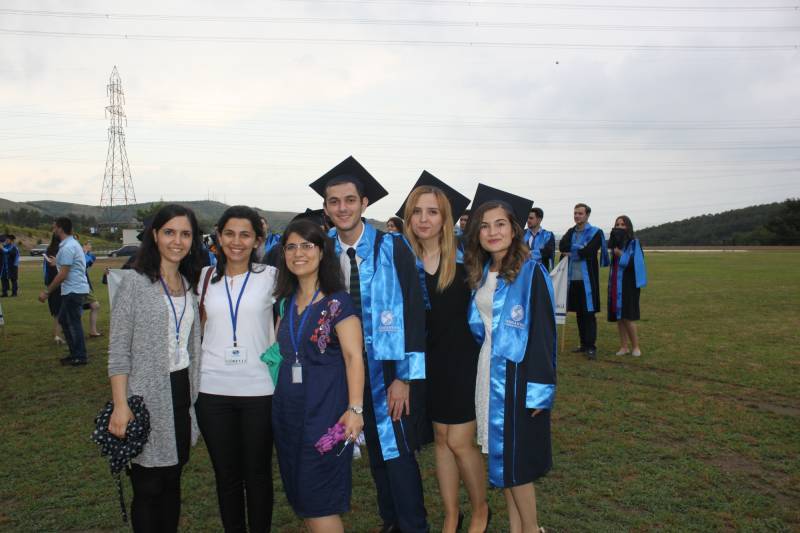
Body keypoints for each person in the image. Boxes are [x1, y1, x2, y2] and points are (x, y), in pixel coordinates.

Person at [309, 156, 429, 533]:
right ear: (326, 207)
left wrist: (404, 378)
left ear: (364, 203)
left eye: (350, 200)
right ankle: (390, 520)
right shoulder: (320, 251)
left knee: (397, 451)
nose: (342, 208)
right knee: (370, 447)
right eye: (334, 201)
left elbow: (414, 312)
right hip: (339, 368)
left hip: (388, 367)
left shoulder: (393, 247)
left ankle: (412, 526)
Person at [398, 172, 489, 533]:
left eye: (432, 212)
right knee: (439, 440)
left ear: (445, 218)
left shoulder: (469, 259)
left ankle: (481, 511)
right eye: (417, 212)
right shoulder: (404, 261)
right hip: (428, 362)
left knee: (459, 441)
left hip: (463, 360)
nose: (424, 219)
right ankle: (452, 515)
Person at [106, 204, 204, 533]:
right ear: (155, 235)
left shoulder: (188, 285)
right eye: (169, 232)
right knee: (148, 486)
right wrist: (120, 405)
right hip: (144, 396)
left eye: (185, 234)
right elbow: (118, 351)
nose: (177, 241)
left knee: (173, 481)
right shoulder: (134, 283)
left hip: (180, 393)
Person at [465, 184, 556, 533]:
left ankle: (532, 529)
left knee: (517, 465)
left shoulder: (532, 272)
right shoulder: (482, 271)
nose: (492, 232)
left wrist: (539, 391)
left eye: (500, 224)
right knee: (503, 459)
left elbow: (544, 334)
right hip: (488, 369)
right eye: (485, 226)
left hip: (518, 375)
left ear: (514, 229)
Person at [272, 219, 365, 531]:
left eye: (307, 245)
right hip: (288, 416)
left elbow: (353, 357)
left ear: (322, 251)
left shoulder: (338, 302)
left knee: (319, 498)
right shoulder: (284, 303)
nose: (298, 253)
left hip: (328, 419)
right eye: (291, 247)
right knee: (301, 496)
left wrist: (355, 410)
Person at [195, 206, 277, 532]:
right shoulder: (203, 277)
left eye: (245, 235)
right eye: (229, 233)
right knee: (226, 475)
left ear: (257, 240)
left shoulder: (271, 277)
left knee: (258, 474)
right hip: (212, 390)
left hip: (260, 390)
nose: (236, 242)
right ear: (218, 236)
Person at [558, 203, 608, 360]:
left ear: (587, 215)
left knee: (589, 313)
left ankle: (591, 346)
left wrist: (572, 251)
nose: (577, 216)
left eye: (580, 213)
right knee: (579, 313)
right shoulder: (571, 231)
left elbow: (589, 251)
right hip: (572, 279)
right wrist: (578, 248)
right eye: (575, 213)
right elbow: (562, 245)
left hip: (587, 280)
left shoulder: (596, 232)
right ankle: (583, 344)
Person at [38, 217, 91, 366]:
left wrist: (47, 292)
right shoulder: (70, 244)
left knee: (73, 323)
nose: (53, 230)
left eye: (54, 227)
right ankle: (75, 354)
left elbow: (63, 274)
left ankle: (80, 356)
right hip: (74, 289)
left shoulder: (68, 247)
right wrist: (57, 262)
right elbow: (68, 265)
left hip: (73, 290)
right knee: (64, 320)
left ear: (60, 228)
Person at [607, 215, 647, 357]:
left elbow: (637, 264)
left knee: (628, 317)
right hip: (615, 283)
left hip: (629, 284)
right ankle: (624, 347)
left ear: (628, 226)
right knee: (619, 317)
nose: (619, 227)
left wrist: (621, 255)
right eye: (617, 224)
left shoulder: (634, 243)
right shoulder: (615, 244)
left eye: (622, 224)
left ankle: (636, 347)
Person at [43, 234, 64, 344]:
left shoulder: (48, 251)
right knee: (62, 311)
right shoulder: (62, 251)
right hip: (60, 283)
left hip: (51, 282)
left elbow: (45, 270)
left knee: (56, 311)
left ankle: (57, 335)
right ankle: (58, 335)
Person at [82, 242, 102, 338]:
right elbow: (83, 264)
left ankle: (93, 331)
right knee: (94, 305)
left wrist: (86, 253)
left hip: (84, 285)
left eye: (90, 244)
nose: (89, 246)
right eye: (86, 244)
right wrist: (85, 253)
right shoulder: (77, 254)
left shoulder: (89, 255)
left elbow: (91, 260)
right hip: (78, 285)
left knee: (95, 305)